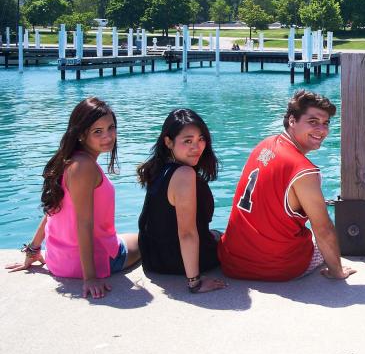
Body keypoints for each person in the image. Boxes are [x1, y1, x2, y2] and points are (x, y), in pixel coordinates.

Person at [6, 97, 141, 298]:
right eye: (98, 131)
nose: (108, 136)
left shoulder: (67, 161)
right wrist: (90, 278)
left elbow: (54, 209)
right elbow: (84, 223)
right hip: (88, 263)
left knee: (122, 236)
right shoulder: (84, 167)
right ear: (81, 134)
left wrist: (34, 248)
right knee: (147, 239)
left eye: (111, 127)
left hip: (58, 260)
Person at [218, 90, 354, 281]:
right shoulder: (304, 171)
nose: (322, 130)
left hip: (232, 261)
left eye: (325, 123)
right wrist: (337, 272)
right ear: (292, 120)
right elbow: (323, 230)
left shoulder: (264, 145)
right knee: (322, 239)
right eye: (313, 122)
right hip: (278, 266)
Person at [136, 109, 227, 294]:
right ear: (168, 141)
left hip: (153, 258)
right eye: (188, 141)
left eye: (201, 139)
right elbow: (187, 233)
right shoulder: (184, 174)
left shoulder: (159, 169)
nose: (197, 147)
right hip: (175, 262)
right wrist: (195, 282)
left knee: (217, 234)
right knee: (228, 239)